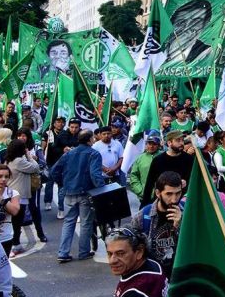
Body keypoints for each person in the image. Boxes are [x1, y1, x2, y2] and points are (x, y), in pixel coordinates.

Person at [52, 129, 105, 263]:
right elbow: (95, 175)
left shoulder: (69, 153)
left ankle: (63, 252)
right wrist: (102, 189)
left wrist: (63, 184)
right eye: (93, 137)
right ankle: (84, 252)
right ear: (89, 140)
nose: (94, 139)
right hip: (86, 192)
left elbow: (54, 171)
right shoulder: (94, 154)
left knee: (68, 222)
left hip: (69, 191)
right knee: (86, 223)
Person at [129, 171, 183, 276]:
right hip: (153, 277)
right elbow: (133, 252)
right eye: (169, 194)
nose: (174, 199)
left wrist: (180, 226)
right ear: (158, 193)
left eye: (178, 193)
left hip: (180, 276)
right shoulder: (142, 217)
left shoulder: (187, 212)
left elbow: (194, 247)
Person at [108, 227, 168, 297]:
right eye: (109, 254)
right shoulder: (154, 264)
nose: (112, 261)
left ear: (139, 252)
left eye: (120, 253)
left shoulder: (136, 292)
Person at [3, 139, 38, 256]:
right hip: (19, 195)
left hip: (11, 193)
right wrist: (29, 156)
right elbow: (35, 168)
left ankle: (15, 244)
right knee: (17, 221)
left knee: (15, 221)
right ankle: (15, 245)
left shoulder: (9, 160)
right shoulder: (19, 161)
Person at [141, 131, 193, 207]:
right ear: (169, 143)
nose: (181, 143)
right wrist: (144, 205)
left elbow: (193, 180)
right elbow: (149, 184)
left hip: (182, 203)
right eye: (178, 140)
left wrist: (186, 182)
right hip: (161, 202)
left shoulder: (189, 159)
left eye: (182, 140)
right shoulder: (158, 160)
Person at [45, 116, 77, 217]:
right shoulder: (51, 133)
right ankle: (50, 202)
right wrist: (63, 150)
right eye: (58, 122)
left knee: (64, 187)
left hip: (68, 165)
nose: (60, 124)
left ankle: (63, 209)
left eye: (62, 122)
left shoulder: (79, 136)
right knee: (51, 183)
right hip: (53, 163)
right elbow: (52, 148)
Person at [0, 165, 18, 257]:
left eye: (6, 177)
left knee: (3, 266)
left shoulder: (12, 193)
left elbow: (14, 211)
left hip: (5, 237)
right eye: (0, 176)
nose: (3, 179)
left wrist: (0, 198)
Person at [128, 135, 161, 199]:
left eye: (154, 144)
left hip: (161, 196)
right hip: (144, 196)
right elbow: (134, 175)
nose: (151, 146)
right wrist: (140, 191)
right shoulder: (140, 158)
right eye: (149, 144)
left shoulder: (163, 157)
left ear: (158, 146)